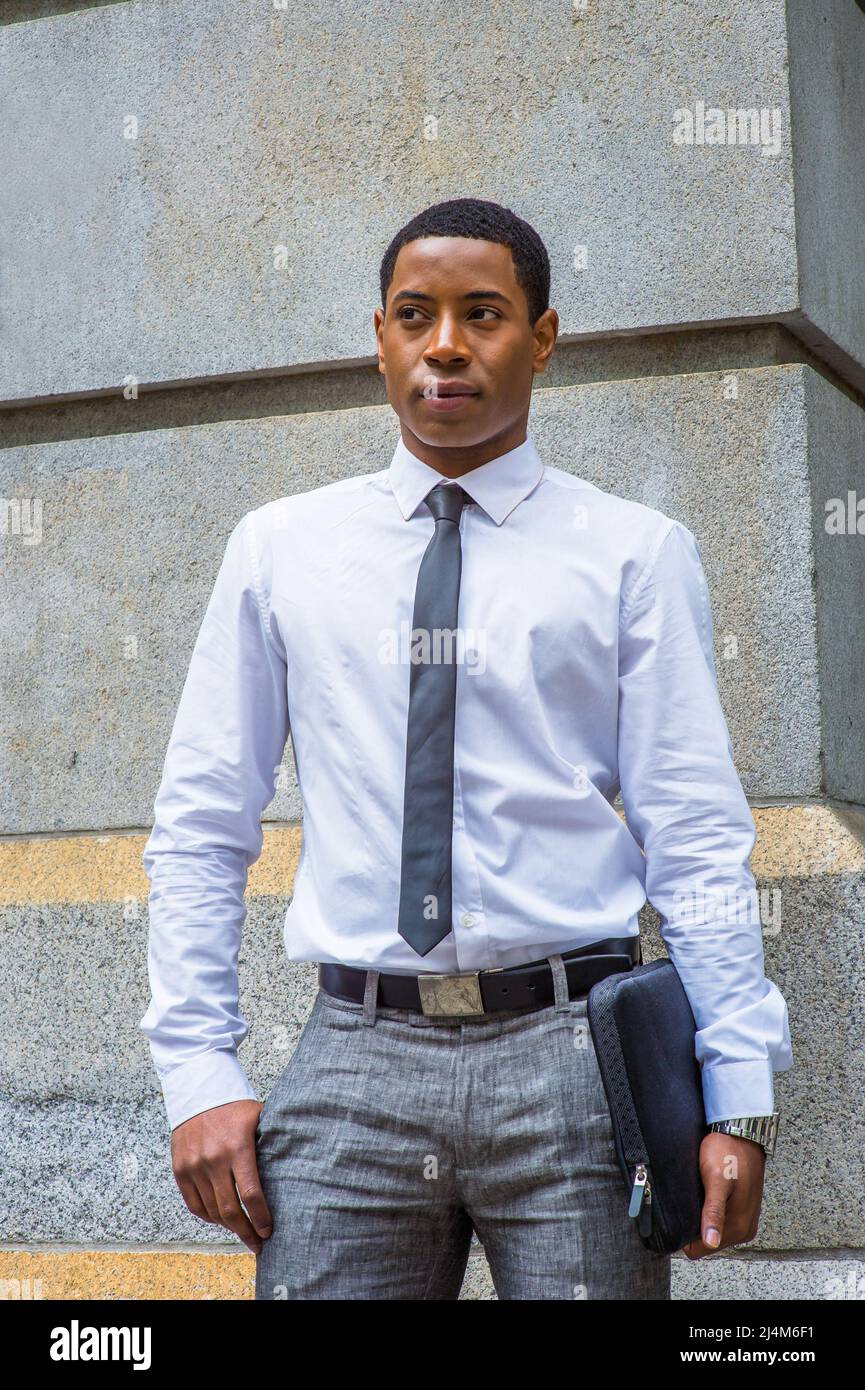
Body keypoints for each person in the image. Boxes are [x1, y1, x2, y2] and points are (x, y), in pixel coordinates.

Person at [140, 196, 792, 1300]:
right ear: (381, 337)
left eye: (482, 312)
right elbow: (202, 824)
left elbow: (694, 834)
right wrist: (196, 1072)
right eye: (414, 314)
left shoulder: (632, 553)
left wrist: (737, 1090)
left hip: (574, 1065)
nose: (445, 343)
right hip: (353, 1056)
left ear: (540, 337)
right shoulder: (281, 550)